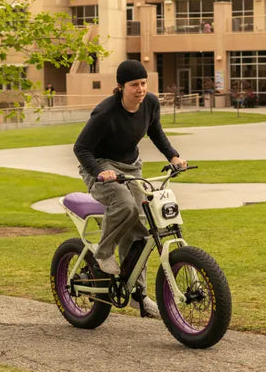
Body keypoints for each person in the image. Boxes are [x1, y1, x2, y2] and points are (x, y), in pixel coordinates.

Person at [73, 59, 187, 318]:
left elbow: (155, 131)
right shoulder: (105, 113)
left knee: (142, 229)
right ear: (120, 87)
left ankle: (138, 294)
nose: (140, 89)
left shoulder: (150, 103)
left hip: (130, 167)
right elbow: (81, 148)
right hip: (100, 168)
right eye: (134, 84)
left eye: (143, 83)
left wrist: (173, 156)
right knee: (124, 204)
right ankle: (103, 253)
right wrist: (100, 172)